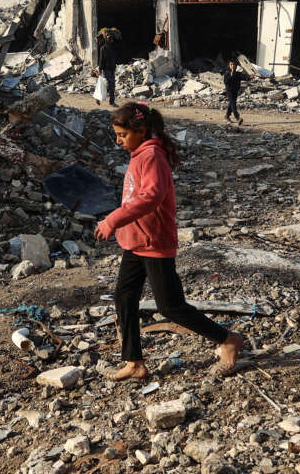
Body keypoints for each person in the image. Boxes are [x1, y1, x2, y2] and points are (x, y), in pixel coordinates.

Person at [94, 102, 245, 380]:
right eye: (115, 134)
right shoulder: (140, 152)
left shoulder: (152, 156)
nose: (118, 140)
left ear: (140, 130)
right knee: (124, 298)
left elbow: (151, 197)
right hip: (136, 241)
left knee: (170, 306)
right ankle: (134, 362)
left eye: (122, 135)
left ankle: (227, 339)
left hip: (154, 242)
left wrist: (113, 219)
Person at [94, 27, 122, 107]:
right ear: (107, 39)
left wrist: (114, 67)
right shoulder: (103, 48)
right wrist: (100, 69)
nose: (111, 40)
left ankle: (112, 102)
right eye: (110, 39)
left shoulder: (113, 48)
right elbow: (101, 60)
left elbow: (115, 58)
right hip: (105, 70)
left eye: (112, 39)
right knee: (105, 86)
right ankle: (98, 98)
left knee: (112, 86)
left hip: (112, 70)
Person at [224, 58, 249, 125]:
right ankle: (237, 118)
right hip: (230, 91)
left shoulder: (238, 73)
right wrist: (230, 76)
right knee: (233, 104)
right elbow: (226, 82)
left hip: (236, 90)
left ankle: (227, 116)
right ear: (229, 65)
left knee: (231, 103)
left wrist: (249, 77)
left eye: (233, 64)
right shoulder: (227, 73)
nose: (232, 66)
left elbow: (245, 77)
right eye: (231, 64)